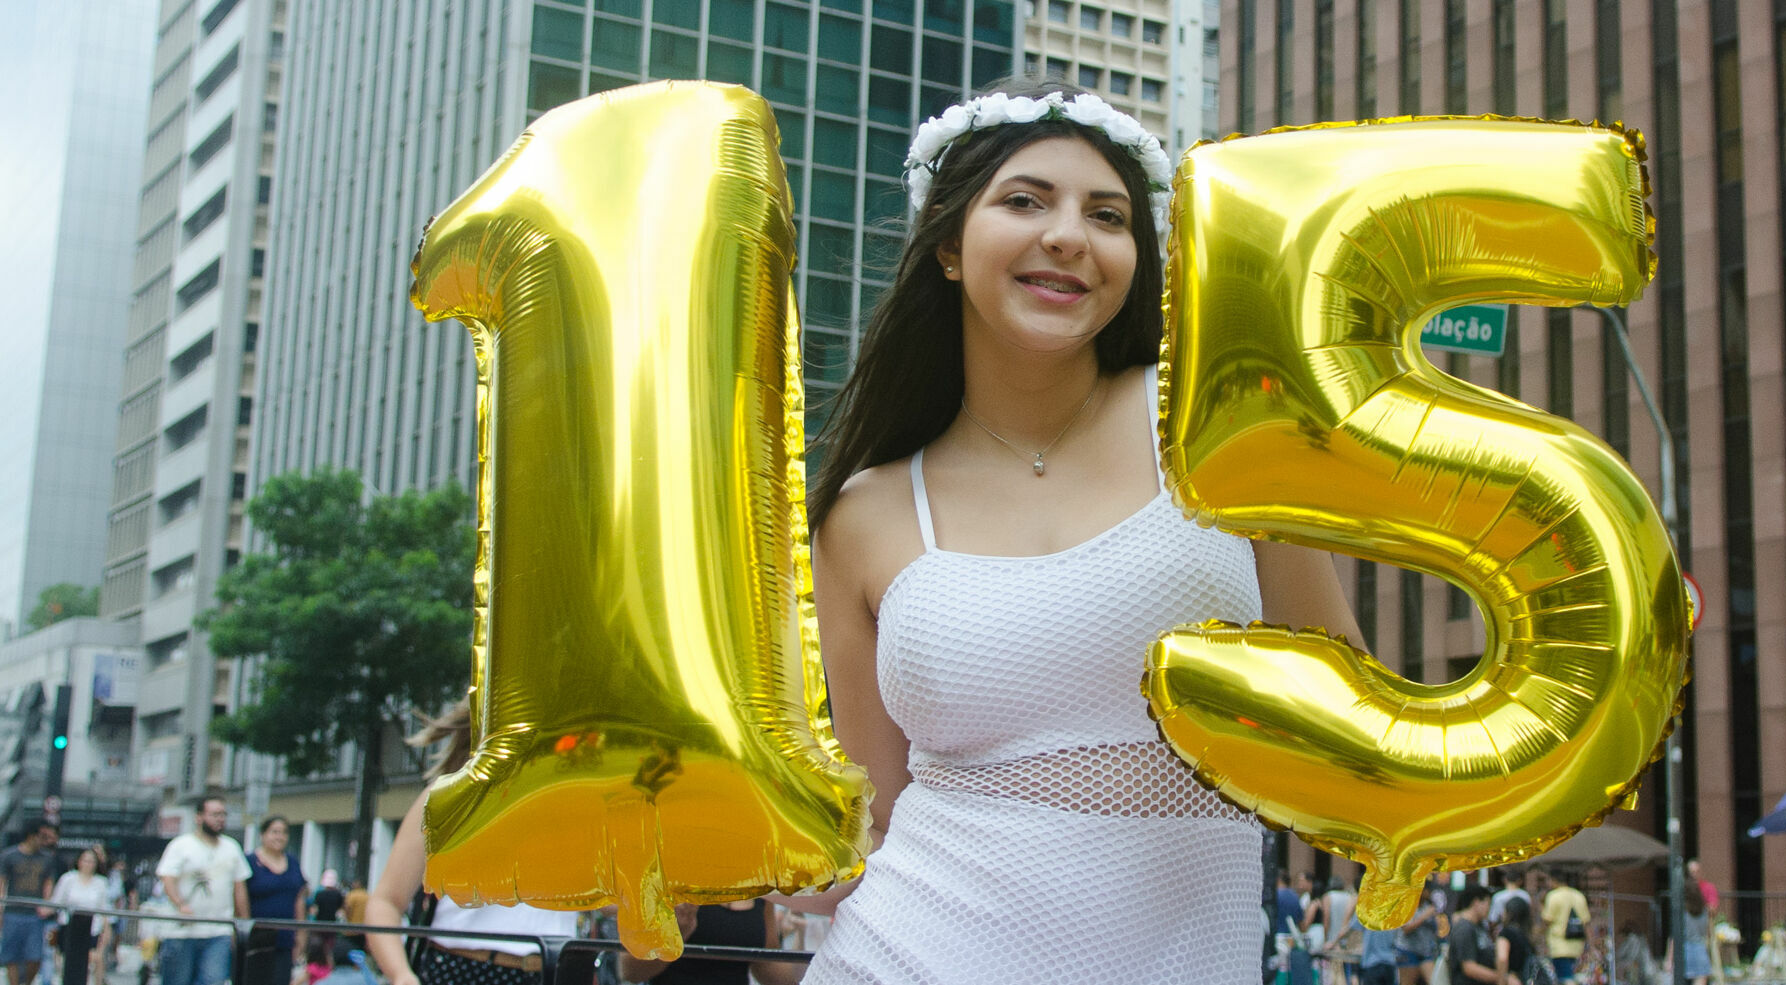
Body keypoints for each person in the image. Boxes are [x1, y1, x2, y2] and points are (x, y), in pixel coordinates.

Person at [792, 76, 1369, 984]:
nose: (1067, 233)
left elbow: (1344, 701)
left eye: (1108, 216)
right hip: (901, 957)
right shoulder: (863, 514)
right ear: (948, 242)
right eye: (1024, 200)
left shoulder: (1220, 417)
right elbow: (873, 820)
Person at [364, 706, 576, 985]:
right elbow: (386, 901)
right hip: (463, 969)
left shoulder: (577, 805)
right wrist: (401, 975)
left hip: (555, 972)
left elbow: (616, 898)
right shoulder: (446, 798)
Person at [154, 796, 251, 985]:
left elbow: (239, 887)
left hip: (218, 931)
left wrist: (243, 924)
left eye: (223, 814)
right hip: (182, 931)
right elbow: (168, 879)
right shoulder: (181, 845)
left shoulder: (232, 847)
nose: (220, 819)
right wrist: (181, 904)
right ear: (199, 817)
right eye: (214, 814)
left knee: (213, 981)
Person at [619, 901, 804, 985]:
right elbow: (630, 971)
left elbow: (768, 966)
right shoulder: (670, 874)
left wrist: (803, 936)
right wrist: (675, 936)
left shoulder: (758, 883)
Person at [244, 816, 308, 985]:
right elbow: (240, 897)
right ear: (263, 835)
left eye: (284, 833)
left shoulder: (293, 862)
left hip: (285, 937)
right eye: (274, 832)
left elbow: (299, 898)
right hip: (256, 939)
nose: (279, 837)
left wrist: (301, 933)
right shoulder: (249, 861)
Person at [0, 821, 57, 985]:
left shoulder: (46, 858)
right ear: (32, 836)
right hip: (13, 911)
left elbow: (48, 883)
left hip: (34, 914)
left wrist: (46, 904)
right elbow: (2, 882)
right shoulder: (9, 856)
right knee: (11, 956)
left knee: (35, 956)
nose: (44, 841)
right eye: (42, 836)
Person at [48, 848, 110, 985]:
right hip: (69, 928)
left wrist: (104, 937)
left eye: (92, 861)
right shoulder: (68, 879)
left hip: (92, 930)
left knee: (91, 965)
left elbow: (105, 911)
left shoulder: (101, 883)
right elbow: (56, 903)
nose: (88, 864)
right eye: (85, 860)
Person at [1539, 870, 1589, 985]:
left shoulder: (1553, 896)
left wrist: (1541, 905)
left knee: (1565, 978)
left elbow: (1547, 920)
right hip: (1577, 946)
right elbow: (1586, 922)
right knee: (1572, 976)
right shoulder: (1579, 896)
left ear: (1553, 880)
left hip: (1559, 945)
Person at [1445, 886, 1500, 985]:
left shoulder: (1479, 926)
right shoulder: (1464, 929)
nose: (1489, 908)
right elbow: (1469, 968)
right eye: (1488, 903)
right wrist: (1501, 978)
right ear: (1476, 902)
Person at [1494, 898, 1542, 985]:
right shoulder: (1527, 936)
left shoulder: (1506, 933)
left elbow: (1502, 958)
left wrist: (1501, 981)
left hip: (1512, 979)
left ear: (1509, 913)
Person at [1676, 880, 1711, 985]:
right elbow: (1707, 932)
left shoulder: (1682, 911)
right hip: (1700, 950)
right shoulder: (1704, 911)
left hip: (1684, 951)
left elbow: (1675, 936)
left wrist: (1669, 959)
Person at [1274, 871, 1307, 940]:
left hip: (1276, 936)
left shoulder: (1274, 896)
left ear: (1278, 880)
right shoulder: (1295, 897)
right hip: (1291, 938)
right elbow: (1301, 923)